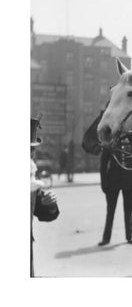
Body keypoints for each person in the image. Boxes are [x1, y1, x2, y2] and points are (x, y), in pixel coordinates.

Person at [98, 134, 132, 246]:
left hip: (128, 182)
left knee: (129, 211)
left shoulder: (130, 141)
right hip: (113, 182)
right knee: (110, 211)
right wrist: (104, 183)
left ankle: (130, 236)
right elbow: (103, 164)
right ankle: (106, 238)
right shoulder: (109, 142)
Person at [31, 117, 59, 277]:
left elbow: (44, 213)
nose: (32, 159)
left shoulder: (29, 178)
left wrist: (49, 204)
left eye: (32, 152)